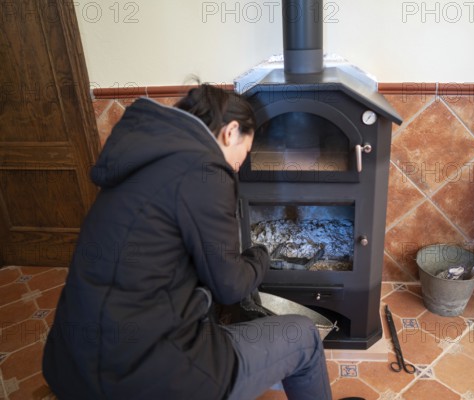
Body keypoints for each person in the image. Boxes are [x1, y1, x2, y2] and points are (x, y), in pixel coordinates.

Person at [42, 84, 333, 400]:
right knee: (303, 337)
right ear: (230, 132)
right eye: (244, 153)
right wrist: (261, 254)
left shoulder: (144, 159)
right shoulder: (204, 170)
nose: (238, 165)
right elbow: (231, 286)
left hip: (72, 366)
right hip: (140, 376)